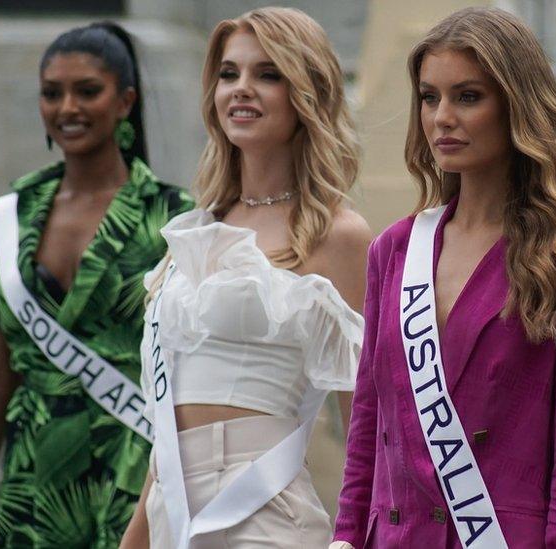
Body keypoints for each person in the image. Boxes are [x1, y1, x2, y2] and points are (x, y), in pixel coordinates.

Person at [332, 7, 556, 548]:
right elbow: (367, 429)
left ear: (517, 104)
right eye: (430, 97)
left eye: (467, 97)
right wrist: (345, 538)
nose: (442, 116)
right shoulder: (395, 249)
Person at [118, 7, 371, 548]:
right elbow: (170, 417)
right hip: (172, 511)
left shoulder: (338, 235)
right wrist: (136, 535)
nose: (241, 89)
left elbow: (363, 422)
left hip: (265, 511)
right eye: (229, 73)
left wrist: (358, 535)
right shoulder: (197, 228)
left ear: (307, 93)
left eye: (268, 74)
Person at [0, 22, 194, 548]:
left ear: (125, 100)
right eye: (52, 93)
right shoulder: (11, 217)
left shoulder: (176, 219)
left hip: (135, 474)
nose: (68, 108)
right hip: (33, 483)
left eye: (88, 91)